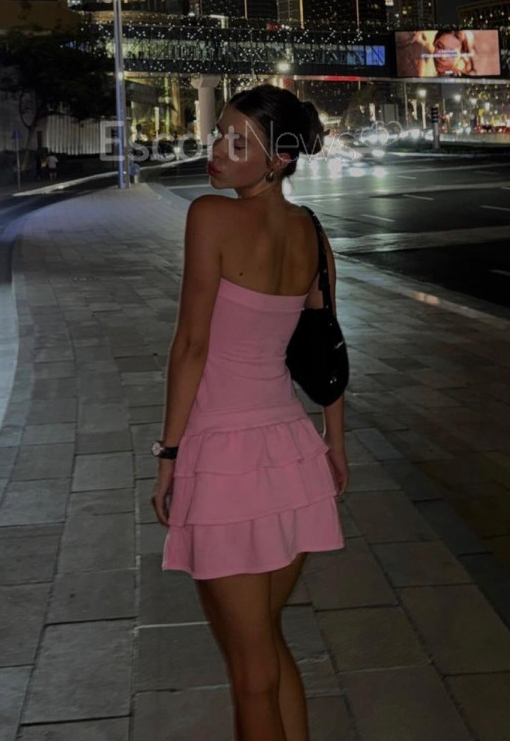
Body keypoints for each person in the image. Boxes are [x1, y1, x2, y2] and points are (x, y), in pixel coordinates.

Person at [152, 84, 348, 740]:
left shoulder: (209, 216)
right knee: (265, 642)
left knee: (249, 672)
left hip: (225, 461)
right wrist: (335, 443)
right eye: (219, 134)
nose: (216, 149)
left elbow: (191, 345)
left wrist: (169, 454)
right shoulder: (310, 232)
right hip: (291, 457)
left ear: (279, 160)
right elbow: (327, 346)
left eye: (238, 142)